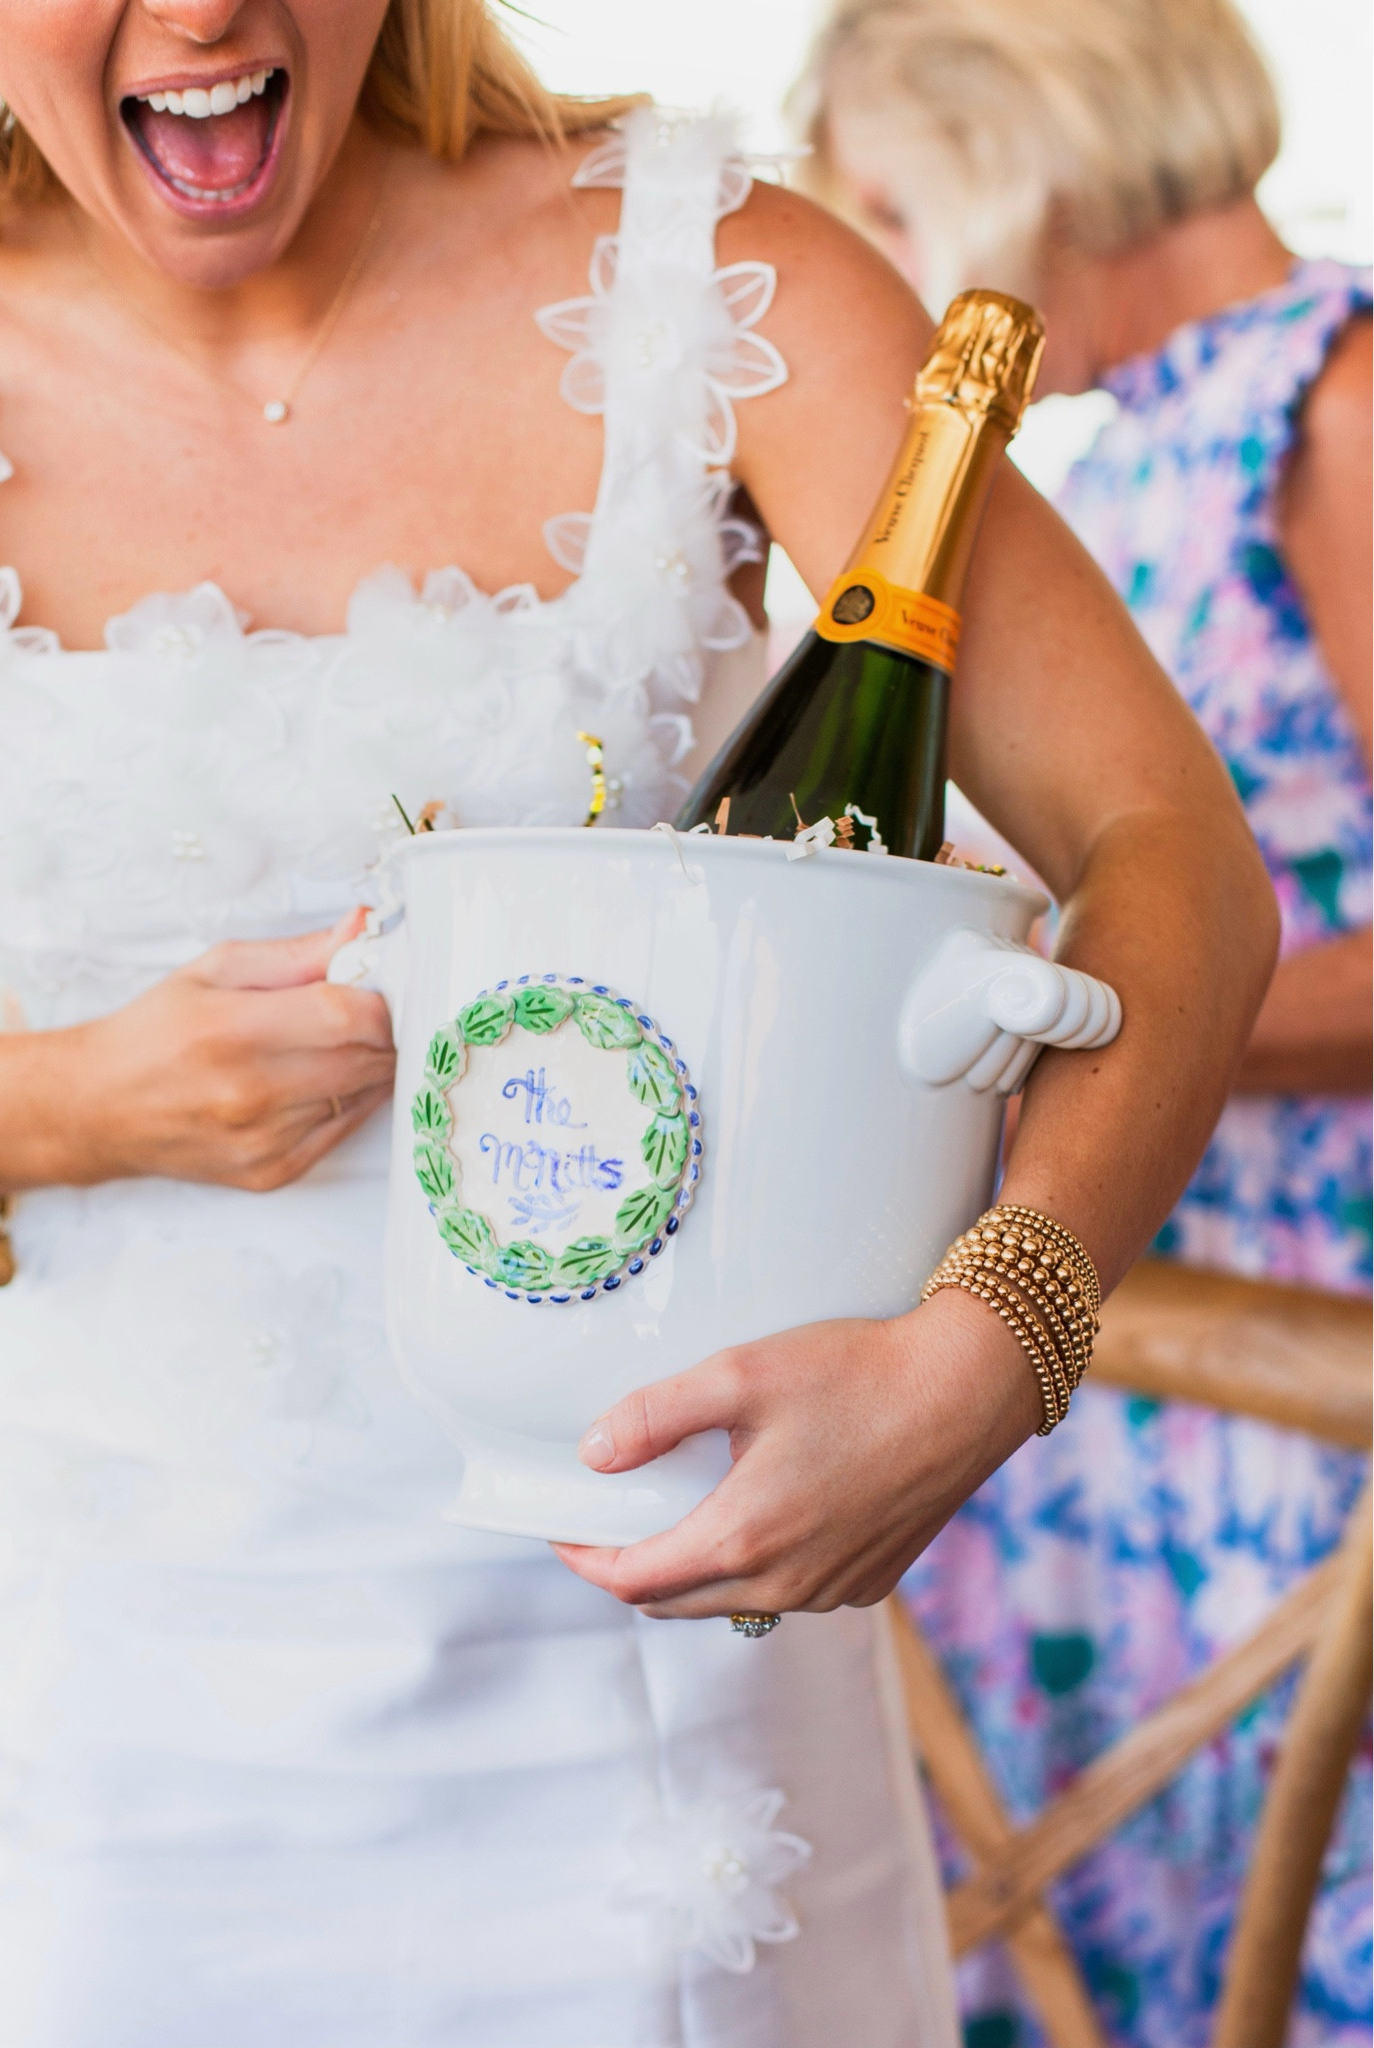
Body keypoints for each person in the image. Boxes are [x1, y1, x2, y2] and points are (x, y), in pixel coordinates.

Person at [0, 0, 1274, 2040]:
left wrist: (999, 1336)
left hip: (677, 1649)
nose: (199, 10)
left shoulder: (735, 280)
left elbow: (1168, 850)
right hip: (127, 1709)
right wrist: (64, 1101)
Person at [792, 2, 1372, 2042]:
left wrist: (1110, 997)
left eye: (882, 201)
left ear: (1019, 132)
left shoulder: (1342, 403)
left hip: (1302, 1346)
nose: (865, 270)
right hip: (1122, 1312)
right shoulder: (1141, 447)